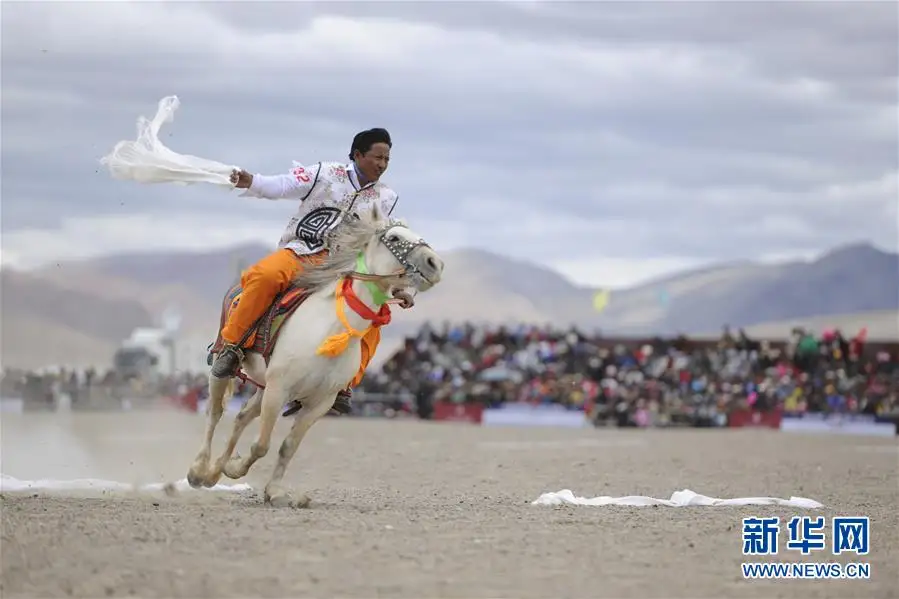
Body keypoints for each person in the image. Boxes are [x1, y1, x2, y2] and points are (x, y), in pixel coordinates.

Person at [212, 128, 400, 416]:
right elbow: (282, 185)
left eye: (387, 159)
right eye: (378, 157)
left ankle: (343, 384)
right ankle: (232, 347)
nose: (383, 165)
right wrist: (252, 181)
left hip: (343, 267)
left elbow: (376, 244)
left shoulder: (386, 197)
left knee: (373, 314)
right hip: (300, 253)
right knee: (264, 277)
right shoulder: (325, 173)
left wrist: (393, 286)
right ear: (358, 155)